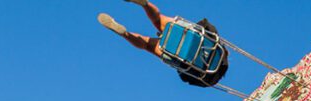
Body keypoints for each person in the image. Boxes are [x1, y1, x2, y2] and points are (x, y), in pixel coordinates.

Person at [97, 1, 228, 88]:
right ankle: (126, 34)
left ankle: (145, 4)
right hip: (179, 56)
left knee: (159, 20)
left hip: (195, 38)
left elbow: (213, 36)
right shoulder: (209, 79)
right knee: (148, 45)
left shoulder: (222, 54)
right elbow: (188, 77)